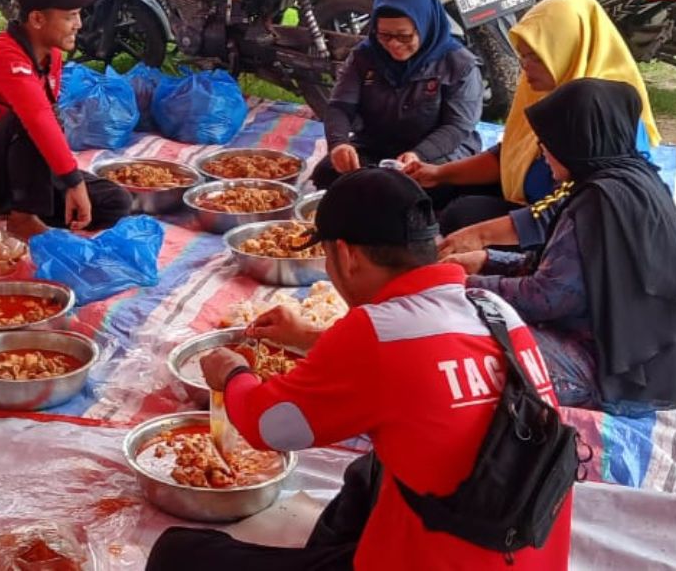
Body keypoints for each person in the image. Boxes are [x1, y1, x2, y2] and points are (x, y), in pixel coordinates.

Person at [145, 169, 572, 569]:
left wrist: (233, 372)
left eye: (328, 258)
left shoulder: (374, 331)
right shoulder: (495, 311)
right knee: (368, 471)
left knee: (178, 553)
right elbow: (409, 370)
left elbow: (269, 426)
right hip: (521, 542)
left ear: (346, 255)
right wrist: (310, 338)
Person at [446, 79, 676, 414]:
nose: (543, 151)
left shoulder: (598, 203)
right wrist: (487, 259)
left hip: (617, 377)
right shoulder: (635, 178)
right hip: (653, 368)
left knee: (458, 344)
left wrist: (464, 285)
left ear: (578, 141)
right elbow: (569, 266)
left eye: (548, 142)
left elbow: (547, 297)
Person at [404, 0, 660, 235]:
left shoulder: (599, 115)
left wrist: (481, 236)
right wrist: (439, 173)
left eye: (536, 58)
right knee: (438, 191)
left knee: (463, 215)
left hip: (568, 223)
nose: (525, 68)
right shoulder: (546, 89)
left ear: (568, 50)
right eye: (523, 57)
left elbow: (574, 210)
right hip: (533, 198)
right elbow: (513, 153)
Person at [0, 0, 132, 238]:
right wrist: (72, 181)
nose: (78, 25)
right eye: (70, 17)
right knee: (33, 119)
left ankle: (21, 207)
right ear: (37, 19)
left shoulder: (51, 57)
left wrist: (68, 184)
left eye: (78, 15)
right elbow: (38, 118)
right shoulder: (3, 55)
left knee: (117, 202)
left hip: (16, 178)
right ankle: (23, 218)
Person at [311, 0, 482, 201]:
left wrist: (419, 154)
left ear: (425, 25)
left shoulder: (458, 64)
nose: (393, 44)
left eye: (404, 36)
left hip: (438, 153)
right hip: (379, 146)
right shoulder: (364, 56)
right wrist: (339, 144)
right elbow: (340, 106)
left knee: (419, 190)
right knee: (328, 174)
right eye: (384, 35)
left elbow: (457, 127)